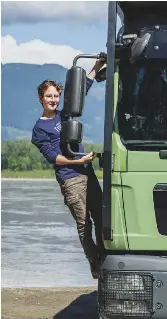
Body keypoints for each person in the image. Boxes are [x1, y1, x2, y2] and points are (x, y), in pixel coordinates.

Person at [31, 55, 107, 279]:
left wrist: (96, 67)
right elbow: (54, 158)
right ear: (40, 98)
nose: (53, 100)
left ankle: (105, 257)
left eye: (56, 95)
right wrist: (78, 161)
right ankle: (93, 260)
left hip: (87, 172)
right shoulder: (39, 129)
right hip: (70, 178)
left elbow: (81, 91)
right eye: (48, 96)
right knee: (85, 224)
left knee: (102, 216)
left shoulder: (66, 114)